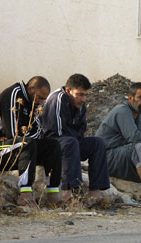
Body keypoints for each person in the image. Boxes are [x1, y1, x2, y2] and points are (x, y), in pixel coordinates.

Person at [0, 76, 62, 207]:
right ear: (31, 89)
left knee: (53, 145)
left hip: (11, 147)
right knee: (26, 143)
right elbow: (14, 134)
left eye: (44, 99)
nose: (42, 102)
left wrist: (25, 134)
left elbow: (39, 133)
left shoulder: (34, 103)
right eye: (41, 97)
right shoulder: (13, 95)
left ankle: (53, 195)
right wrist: (21, 136)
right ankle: (25, 193)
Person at [41, 73, 110, 205]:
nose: (83, 99)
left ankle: (95, 194)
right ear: (68, 91)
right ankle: (68, 193)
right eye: (79, 94)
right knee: (70, 142)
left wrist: (75, 136)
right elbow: (57, 131)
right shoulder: (58, 99)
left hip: (70, 142)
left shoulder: (80, 104)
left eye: (85, 95)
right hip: (52, 144)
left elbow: (81, 130)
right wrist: (74, 136)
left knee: (97, 143)